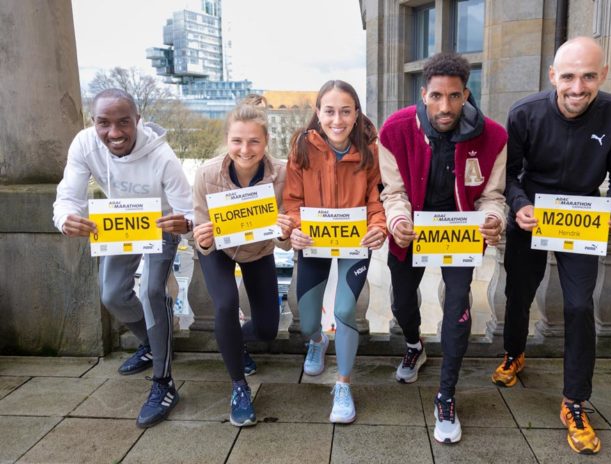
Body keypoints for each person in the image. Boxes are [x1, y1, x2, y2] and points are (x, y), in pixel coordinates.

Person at [490, 37, 611, 455]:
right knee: (518, 292)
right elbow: (509, 175)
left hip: (583, 216)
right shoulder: (524, 113)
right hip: (532, 214)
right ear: (553, 76)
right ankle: (514, 354)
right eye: (569, 76)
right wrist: (518, 206)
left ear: (602, 75)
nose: (577, 87)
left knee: (578, 306)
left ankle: (575, 401)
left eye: (588, 76)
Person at [378, 52, 507, 444]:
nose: (445, 106)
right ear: (423, 93)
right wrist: (397, 219)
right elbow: (393, 191)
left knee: (457, 309)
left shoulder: (494, 136)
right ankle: (415, 346)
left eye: (454, 96)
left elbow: (493, 194)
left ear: (466, 94)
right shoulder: (395, 129)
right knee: (402, 302)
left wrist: (494, 219)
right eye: (436, 96)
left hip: (459, 231)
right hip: (413, 227)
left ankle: (446, 395)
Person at [53, 88, 193, 428]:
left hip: (160, 223)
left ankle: (164, 382)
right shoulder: (84, 144)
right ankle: (151, 342)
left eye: (123, 123)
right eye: (104, 123)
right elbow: (67, 197)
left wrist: (185, 223)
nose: (114, 133)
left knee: (151, 292)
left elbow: (189, 212)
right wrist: (65, 218)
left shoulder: (164, 157)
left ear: (138, 121)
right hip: (119, 219)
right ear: (93, 122)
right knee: (112, 294)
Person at [283, 80, 386, 424]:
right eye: (329, 111)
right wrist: (296, 228)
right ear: (318, 113)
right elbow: (292, 201)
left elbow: (376, 200)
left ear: (356, 114)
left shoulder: (371, 150)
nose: (337, 120)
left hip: (355, 244)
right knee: (308, 318)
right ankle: (317, 342)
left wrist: (378, 227)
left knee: (344, 309)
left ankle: (343, 385)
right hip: (314, 243)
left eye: (345, 111)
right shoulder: (301, 147)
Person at [192, 103, 293, 427]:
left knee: (266, 329)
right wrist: (203, 239)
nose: (245, 149)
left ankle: (234, 344)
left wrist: (284, 233)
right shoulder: (207, 174)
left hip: (258, 250)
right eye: (237, 141)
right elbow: (199, 231)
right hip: (219, 251)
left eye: (254, 142)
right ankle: (239, 386)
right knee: (225, 304)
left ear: (266, 143)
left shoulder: (283, 174)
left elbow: (286, 240)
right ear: (227, 140)